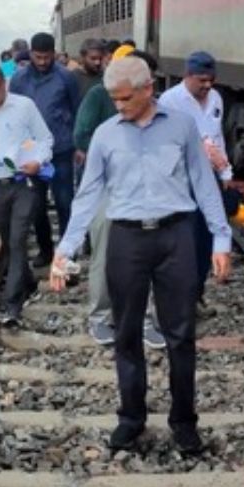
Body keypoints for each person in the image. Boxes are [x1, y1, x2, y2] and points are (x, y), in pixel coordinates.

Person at [50, 56, 231, 456]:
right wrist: (65, 249)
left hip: (175, 237)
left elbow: (203, 182)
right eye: (113, 99)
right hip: (127, 240)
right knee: (127, 333)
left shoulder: (182, 127)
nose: (118, 106)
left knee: (180, 334)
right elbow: (87, 195)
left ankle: (184, 422)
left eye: (125, 98)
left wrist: (221, 238)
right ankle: (131, 418)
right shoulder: (105, 135)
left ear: (148, 89)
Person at [73, 46, 164, 348]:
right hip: (107, 189)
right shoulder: (100, 96)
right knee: (104, 254)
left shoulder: (158, 108)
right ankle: (100, 318)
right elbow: (81, 135)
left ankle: (146, 320)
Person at [0, 65, 52, 326]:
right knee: (8, 240)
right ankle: (26, 280)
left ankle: (12, 305)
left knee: (17, 239)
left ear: (4, 84)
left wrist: (38, 161)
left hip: (24, 183)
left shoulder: (24, 106)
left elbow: (46, 139)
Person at [158, 51, 239, 298]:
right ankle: (181, 293)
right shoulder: (170, 101)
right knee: (186, 237)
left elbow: (218, 137)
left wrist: (226, 173)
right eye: (202, 80)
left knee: (206, 237)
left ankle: (197, 291)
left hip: (209, 177)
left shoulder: (216, 99)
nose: (207, 85)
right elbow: (164, 143)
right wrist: (198, 147)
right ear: (188, 76)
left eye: (211, 80)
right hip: (182, 180)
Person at [10, 32, 80, 266]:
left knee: (64, 202)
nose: (42, 62)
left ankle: (67, 252)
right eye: (38, 57)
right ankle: (45, 250)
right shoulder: (19, 80)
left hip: (60, 150)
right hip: (31, 152)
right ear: (30, 54)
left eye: (47, 57)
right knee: (36, 205)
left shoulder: (66, 78)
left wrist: (77, 144)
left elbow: (77, 109)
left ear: (54, 54)